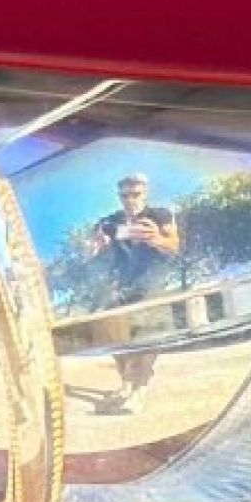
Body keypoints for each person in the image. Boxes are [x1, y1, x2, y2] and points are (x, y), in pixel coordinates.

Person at [77, 174, 184, 413]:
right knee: (113, 336)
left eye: (136, 194)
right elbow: (91, 248)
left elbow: (174, 246)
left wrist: (156, 239)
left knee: (148, 337)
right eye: (125, 195)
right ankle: (126, 383)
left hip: (151, 284)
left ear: (145, 194)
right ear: (119, 197)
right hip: (121, 286)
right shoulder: (109, 222)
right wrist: (95, 247)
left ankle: (139, 391)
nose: (130, 200)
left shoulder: (160, 215)